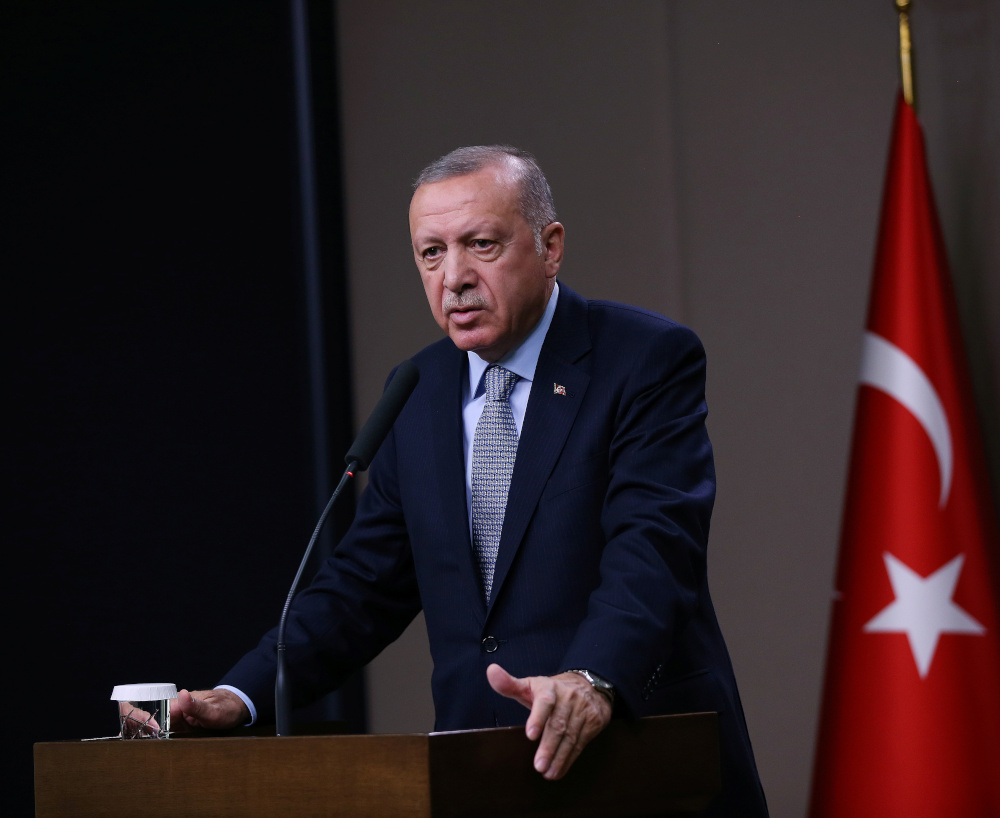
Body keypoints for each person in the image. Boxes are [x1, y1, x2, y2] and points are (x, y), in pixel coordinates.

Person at [172, 146, 768, 815]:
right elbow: (361, 588)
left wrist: (592, 678)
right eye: (431, 253)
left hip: (638, 758)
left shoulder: (644, 359)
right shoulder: (418, 390)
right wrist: (241, 695)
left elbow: (655, 547)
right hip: (481, 772)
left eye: (480, 245)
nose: (453, 277)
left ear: (550, 247)